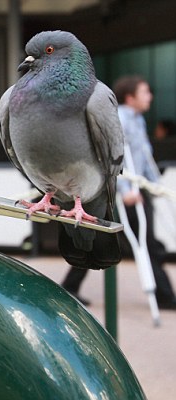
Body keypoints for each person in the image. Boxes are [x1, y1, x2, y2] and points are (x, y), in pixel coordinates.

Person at [61, 75, 176, 310]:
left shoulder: (138, 120)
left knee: (114, 237)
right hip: (126, 195)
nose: (150, 97)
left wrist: (154, 184)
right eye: (145, 92)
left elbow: (142, 156)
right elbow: (115, 155)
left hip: (139, 192)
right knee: (145, 243)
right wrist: (125, 190)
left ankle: (70, 286)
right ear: (130, 97)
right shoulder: (120, 117)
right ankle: (165, 296)